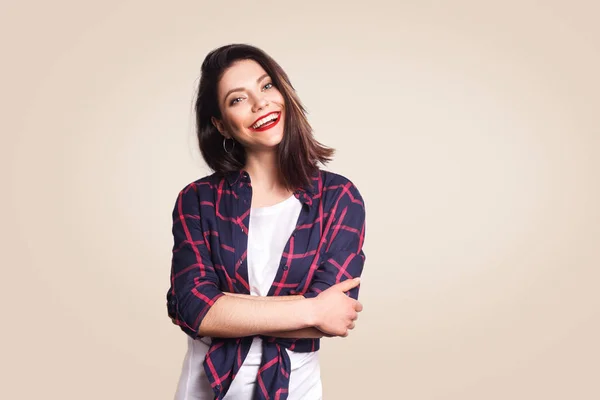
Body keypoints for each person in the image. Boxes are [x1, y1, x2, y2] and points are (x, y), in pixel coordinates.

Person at [166, 43, 367, 400]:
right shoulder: (197, 201)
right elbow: (194, 308)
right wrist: (311, 308)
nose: (260, 104)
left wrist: (223, 310)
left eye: (266, 86)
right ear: (221, 125)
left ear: (284, 93)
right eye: (237, 99)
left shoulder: (338, 198)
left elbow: (334, 318)